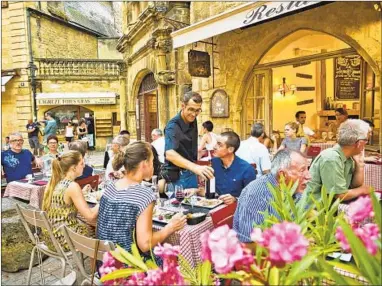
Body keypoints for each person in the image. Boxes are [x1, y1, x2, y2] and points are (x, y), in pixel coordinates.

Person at [97, 141, 186, 263]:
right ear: (144, 164)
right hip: (130, 269)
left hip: (105, 263)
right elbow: (145, 244)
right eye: (152, 161)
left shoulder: (111, 186)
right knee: (174, 256)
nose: (154, 165)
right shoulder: (145, 195)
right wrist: (170, 227)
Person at [233, 149, 311, 248]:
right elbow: (248, 243)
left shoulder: (294, 189)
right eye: (302, 170)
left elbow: (308, 214)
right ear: (282, 174)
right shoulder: (256, 194)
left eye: (308, 169)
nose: (309, 176)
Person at [42, 151, 99, 250]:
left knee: (90, 224)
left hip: (52, 238)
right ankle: (99, 263)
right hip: (66, 240)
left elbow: (63, 200)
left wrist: (81, 192)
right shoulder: (72, 186)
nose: (84, 166)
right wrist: (106, 199)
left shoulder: (54, 182)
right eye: (81, 163)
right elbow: (90, 216)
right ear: (73, 167)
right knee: (99, 230)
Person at [306, 119, 371, 202]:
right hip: (313, 210)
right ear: (360, 143)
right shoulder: (332, 158)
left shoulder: (347, 157)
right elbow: (339, 195)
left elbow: (354, 186)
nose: (366, 144)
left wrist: (360, 164)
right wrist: (363, 189)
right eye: (367, 140)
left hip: (329, 207)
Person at [163, 91, 214, 189]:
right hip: (177, 176)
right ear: (183, 106)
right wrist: (195, 167)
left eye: (197, 110)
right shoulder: (172, 126)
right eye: (191, 109)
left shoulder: (192, 119)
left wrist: (198, 169)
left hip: (191, 172)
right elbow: (169, 154)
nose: (194, 114)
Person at [211, 131, 256, 204]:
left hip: (237, 210)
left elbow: (252, 197)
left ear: (230, 149)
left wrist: (235, 199)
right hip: (215, 206)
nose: (214, 147)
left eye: (219, 145)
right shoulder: (214, 162)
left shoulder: (246, 169)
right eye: (216, 143)